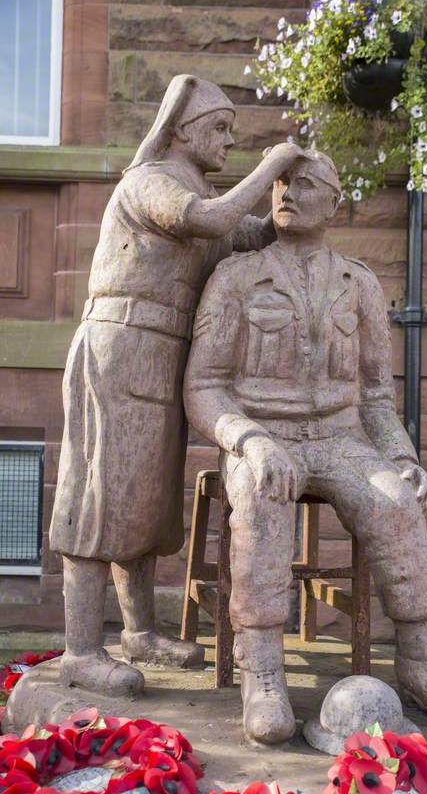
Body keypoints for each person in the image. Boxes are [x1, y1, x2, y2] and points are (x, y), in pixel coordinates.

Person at [184, 150, 427, 744]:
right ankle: (264, 674)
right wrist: (247, 439)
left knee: (397, 505)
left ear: (335, 202)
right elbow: (203, 386)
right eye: (280, 181)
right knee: (259, 499)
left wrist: (404, 460)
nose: (285, 192)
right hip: (263, 434)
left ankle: (424, 667)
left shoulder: (359, 283)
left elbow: (377, 396)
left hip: (340, 437)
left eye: (304, 184)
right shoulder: (236, 277)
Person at [49, 74, 304, 697]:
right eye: (220, 130)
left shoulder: (202, 191)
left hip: (162, 359)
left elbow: (243, 233)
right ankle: (81, 650)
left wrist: (288, 198)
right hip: (120, 347)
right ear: (184, 130)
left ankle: (138, 632)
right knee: (100, 498)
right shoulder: (150, 182)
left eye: (234, 135)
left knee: (145, 502)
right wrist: (270, 162)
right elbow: (214, 218)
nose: (228, 143)